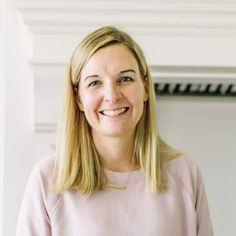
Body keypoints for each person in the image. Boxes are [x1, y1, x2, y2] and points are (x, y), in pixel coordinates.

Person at [16, 26, 214, 236]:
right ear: (78, 98)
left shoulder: (184, 172)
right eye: (94, 83)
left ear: (146, 88)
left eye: (125, 79)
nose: (112, 95)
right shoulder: (48, 180)